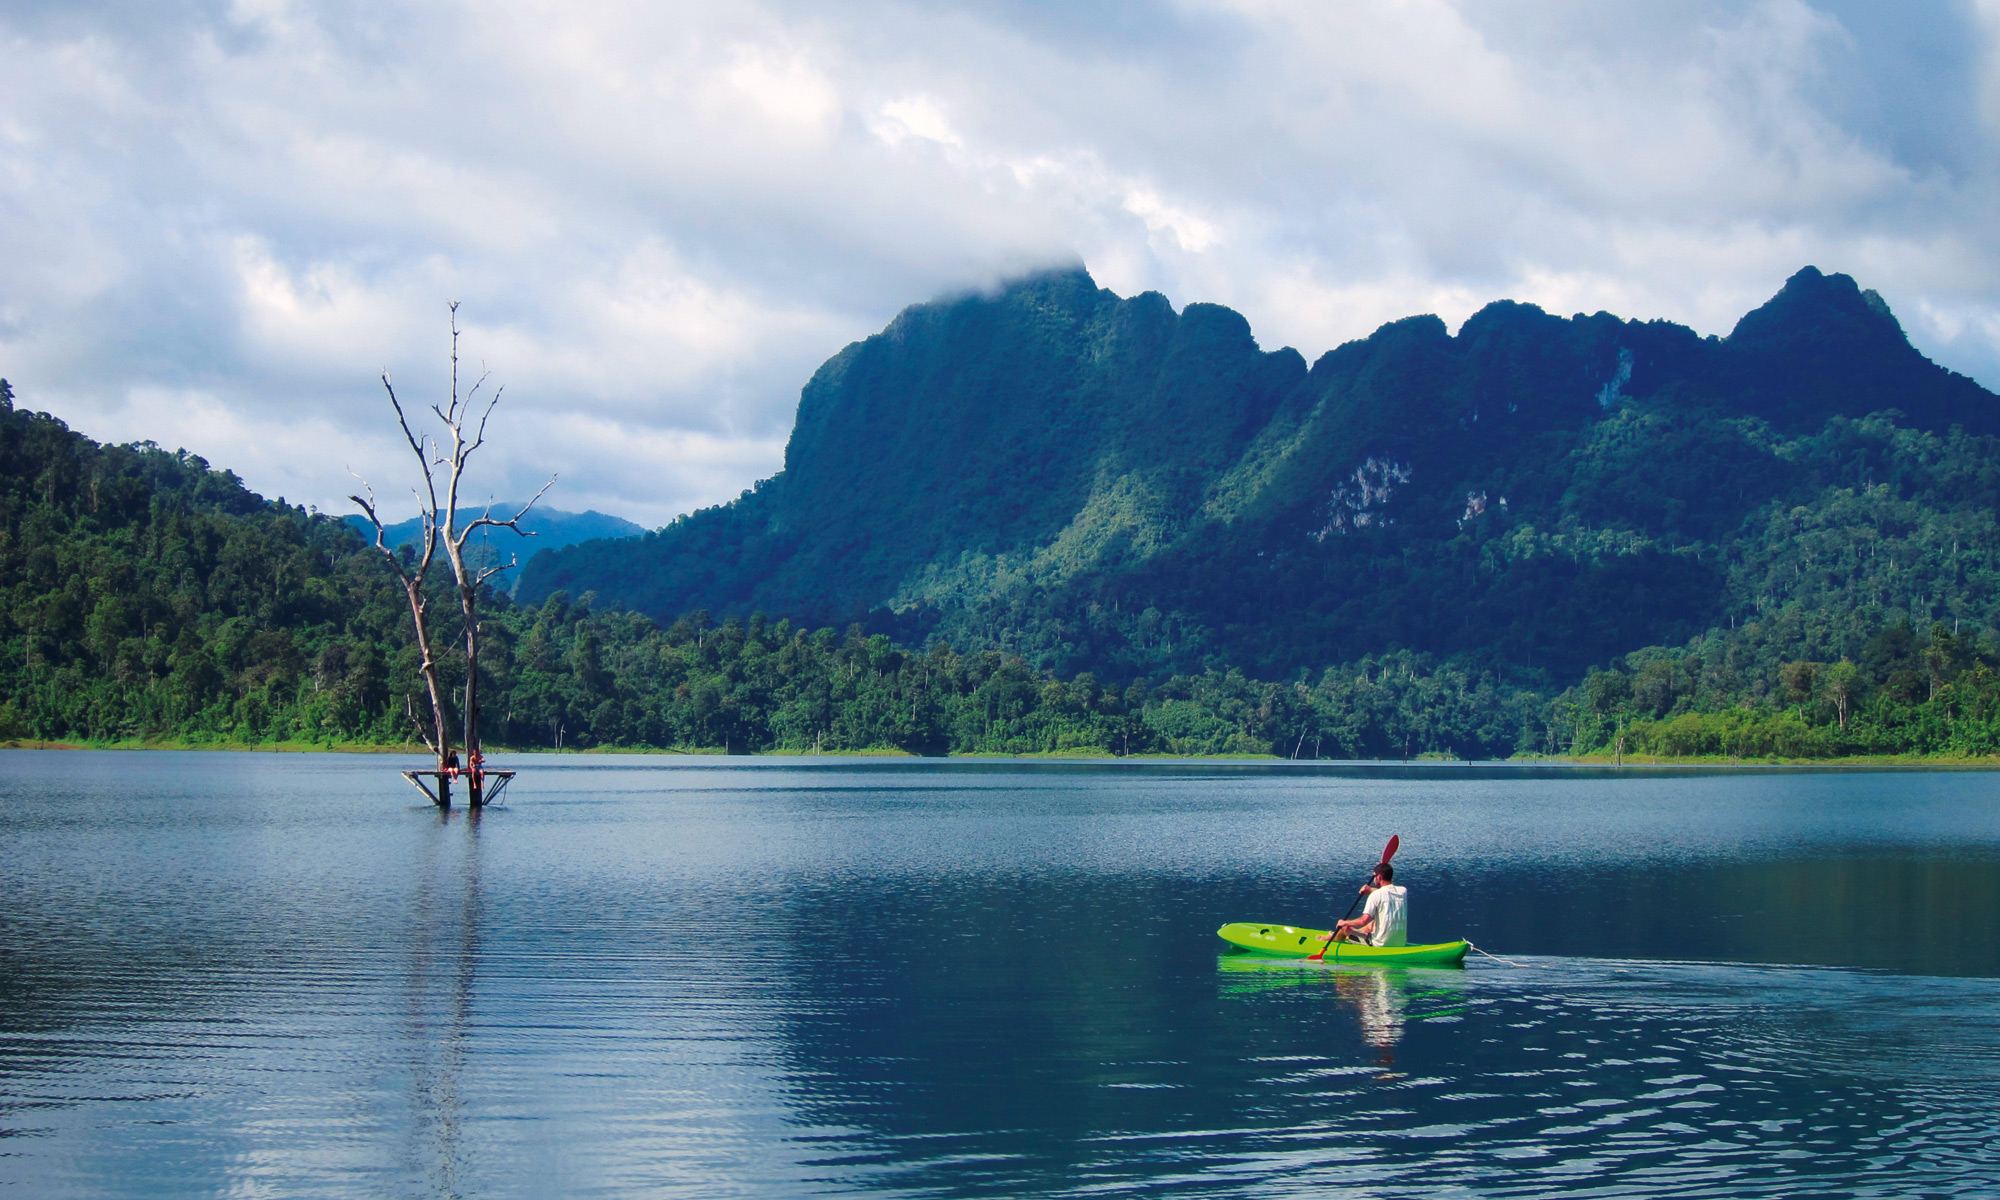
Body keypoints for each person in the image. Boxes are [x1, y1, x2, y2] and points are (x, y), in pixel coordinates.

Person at [1333, 863, 1407, 947]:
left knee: (1344, 928)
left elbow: (1363, 921)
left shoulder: (1375, 895)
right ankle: (1349, 936)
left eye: (1375, 877)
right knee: (1373, 923)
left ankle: (1333, 940)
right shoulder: (1403, 891)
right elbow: (1387, 892)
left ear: (1379, 877)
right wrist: (1371, 890)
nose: (1374, 880)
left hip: (1378, 944)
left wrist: (1344, 922)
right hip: (1400, 943)